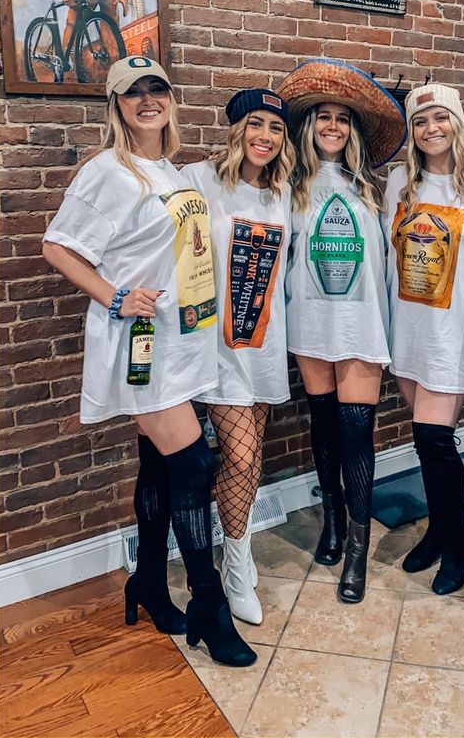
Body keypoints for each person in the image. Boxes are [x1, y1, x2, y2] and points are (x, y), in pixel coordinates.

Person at [42, 55, 256, 667]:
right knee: (192, 468)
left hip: (179, 341)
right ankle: (210, 610)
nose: (146, 100)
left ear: (170, 99)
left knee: (161, 467)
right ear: (116, 106)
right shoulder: (109, 172)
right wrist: (114, 296)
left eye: (155, 89)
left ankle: (150, 586)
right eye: (131, 93)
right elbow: (57, 246)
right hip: (143, 347)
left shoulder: (168, 169)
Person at [277, 58, 406, 603]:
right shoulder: (288, 186)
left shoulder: (374, 189)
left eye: (343, 119)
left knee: (357, 434)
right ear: (309, 127)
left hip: (359, 324)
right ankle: (332, 520)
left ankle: (356, 547)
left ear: (354, 131)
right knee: (324, 427)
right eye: (323, 117)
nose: (333, 126)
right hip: (310, 321)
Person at [384, 84, 464, 594]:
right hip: (407, 331)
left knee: (435, 440)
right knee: (428, 440)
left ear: (458, 123)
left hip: (455, 334)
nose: (431, 128)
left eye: (440, 117)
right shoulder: (399, 184)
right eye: (420, 121)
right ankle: (442, 528)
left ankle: (456, 544)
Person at [183, 89, 295, 626]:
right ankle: (235, 564)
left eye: (276, 128)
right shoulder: (200, 181)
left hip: (265, 346)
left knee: (247, 464)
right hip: (218, 348)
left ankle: (236, 553)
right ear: (236, 129)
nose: (265, 137)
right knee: (242, 458)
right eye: (256, 124)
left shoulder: (281, 193)